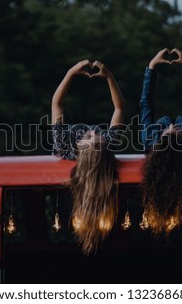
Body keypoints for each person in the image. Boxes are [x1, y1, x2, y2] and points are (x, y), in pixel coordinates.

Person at [51, 59, 125, 255]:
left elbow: (57, 104)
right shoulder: (108, 145)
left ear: (81, 150)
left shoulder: (64, 146)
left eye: (90, 138)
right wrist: (109, 76)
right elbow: (119, 109)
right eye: (97, 137)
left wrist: (70, 73)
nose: (93, 132)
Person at [139, 48, 182, 236]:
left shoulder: (151, 141)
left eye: (166, 133)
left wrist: (151, 67)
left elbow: (145, 104)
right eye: (174, 132)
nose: (169, 127)